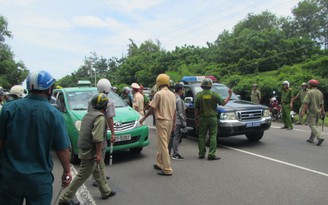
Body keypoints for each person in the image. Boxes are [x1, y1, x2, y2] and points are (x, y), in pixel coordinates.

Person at [0, 70, 72, 205]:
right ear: (49, 89)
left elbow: (1, 142)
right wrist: (67, 172)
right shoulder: (54, 114)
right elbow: (62, 150)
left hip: (9, 177)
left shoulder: (9, 109)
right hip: (39, 181)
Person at [59, 93, 116, 205]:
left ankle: (106, 191)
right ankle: (65, 199)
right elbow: (98, 137)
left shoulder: (89, 114)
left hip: (86, 148)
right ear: (104, 106)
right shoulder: (100, 117)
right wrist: (99, 154)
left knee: (99, 170)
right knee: (82, 175)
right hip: (91, 152)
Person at [140, 74, 176, 176]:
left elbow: (152, 108)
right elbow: (174, 111)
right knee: (163, 143)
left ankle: (167, 168)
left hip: (162, 121)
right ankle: (160, 163)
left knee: (163, 145)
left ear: (158, 82)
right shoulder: (172, 95)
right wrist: (174, 123)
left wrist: (143, 118)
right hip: (169, 121)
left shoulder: (159, 94)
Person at [194, 78, 232, 160]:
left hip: (202, 118)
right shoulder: (214, 94)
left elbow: (196, 108)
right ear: (210, 86)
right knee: (213, 136)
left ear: (202, 86)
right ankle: (211, 154)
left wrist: (196, 118)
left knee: (201, 136)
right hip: (212, 119)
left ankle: (201, 154)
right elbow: (223, 103)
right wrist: (229, 96)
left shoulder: (198, 95)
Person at [90, 78, 116, 187]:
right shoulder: (108, 101)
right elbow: (110, 119)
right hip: (101, 130)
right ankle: (98, 178)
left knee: (96, 153)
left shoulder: (91, 100)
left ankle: (101, 174)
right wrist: (113, 133)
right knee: (101, 153)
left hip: (92, 129)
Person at [300, 79, 325, 146]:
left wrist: (303, 111)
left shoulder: (309, 92)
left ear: (310, 85)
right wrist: (323, 111)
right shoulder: (320, 92)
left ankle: (320, 137)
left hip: (312, 111)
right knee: (315, 124)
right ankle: (311, 139)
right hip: (318, 111)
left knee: (311, 124)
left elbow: (306, 103)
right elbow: (321, 103)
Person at [168, 83, 186, 160]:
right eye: (183, 89)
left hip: (170, 120)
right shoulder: (179, 100)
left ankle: (167, 153)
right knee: (176, 138)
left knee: (171, 137)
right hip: (177, 121)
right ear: (180, 90)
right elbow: (181, 113)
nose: (184, 91)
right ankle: (175, 154)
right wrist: (184, 123)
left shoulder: (172, 97)